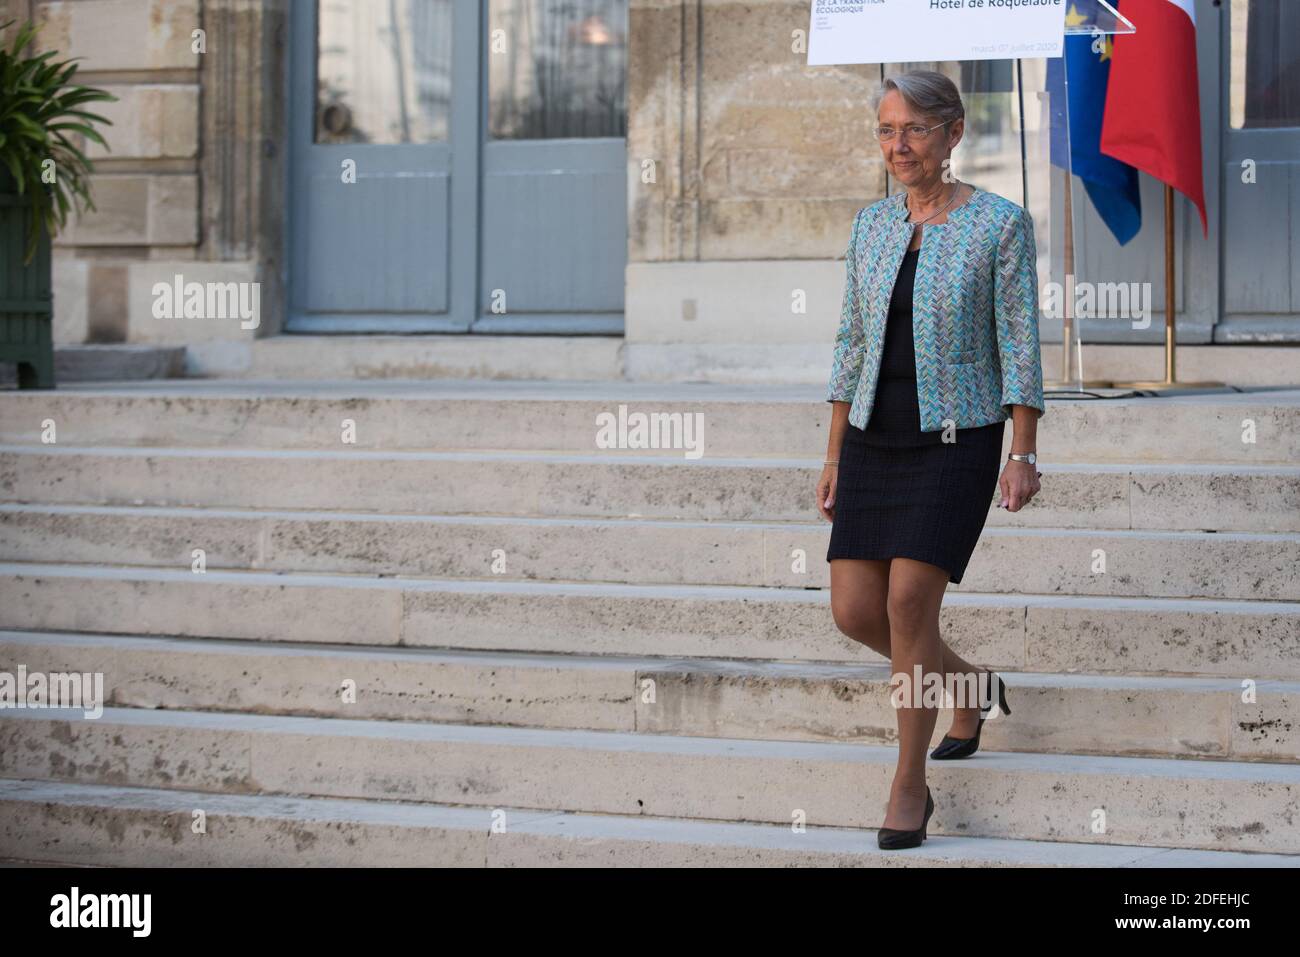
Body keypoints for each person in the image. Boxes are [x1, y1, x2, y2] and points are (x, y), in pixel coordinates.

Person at [816, 70, 1046, 850]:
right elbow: (850, 341)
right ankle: (971, 684)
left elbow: (1018, 341)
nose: (898, 145)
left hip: (959, 437)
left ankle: (910, 784)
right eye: (886, 130)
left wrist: (1024, 449)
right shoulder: (870, 226)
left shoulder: (999, 224)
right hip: (876, 438)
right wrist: (834, 452)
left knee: (910, 601)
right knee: (855, 609)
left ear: (953, 133)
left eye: (914, 129)